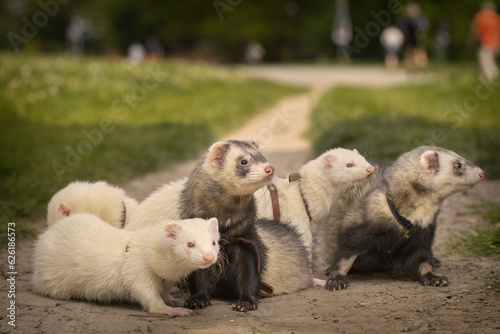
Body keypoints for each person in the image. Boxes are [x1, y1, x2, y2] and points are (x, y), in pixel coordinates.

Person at [471, 2, 500, 82]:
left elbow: (477, 30)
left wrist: (473, 40)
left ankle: (491, 77)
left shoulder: (481, 16)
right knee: (490, 60)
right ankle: (485, 77)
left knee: (484, 60)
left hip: (485, 42)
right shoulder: (496, 17)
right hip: (496, 43)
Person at [397, 2, 430, 69]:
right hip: (410, 38)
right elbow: (402, 29)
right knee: (409, 50)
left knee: (419, 50)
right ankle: (410, 65)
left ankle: (421, 64)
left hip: (418, 37)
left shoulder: (421, 18)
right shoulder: (405, 20)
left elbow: (425, 27)